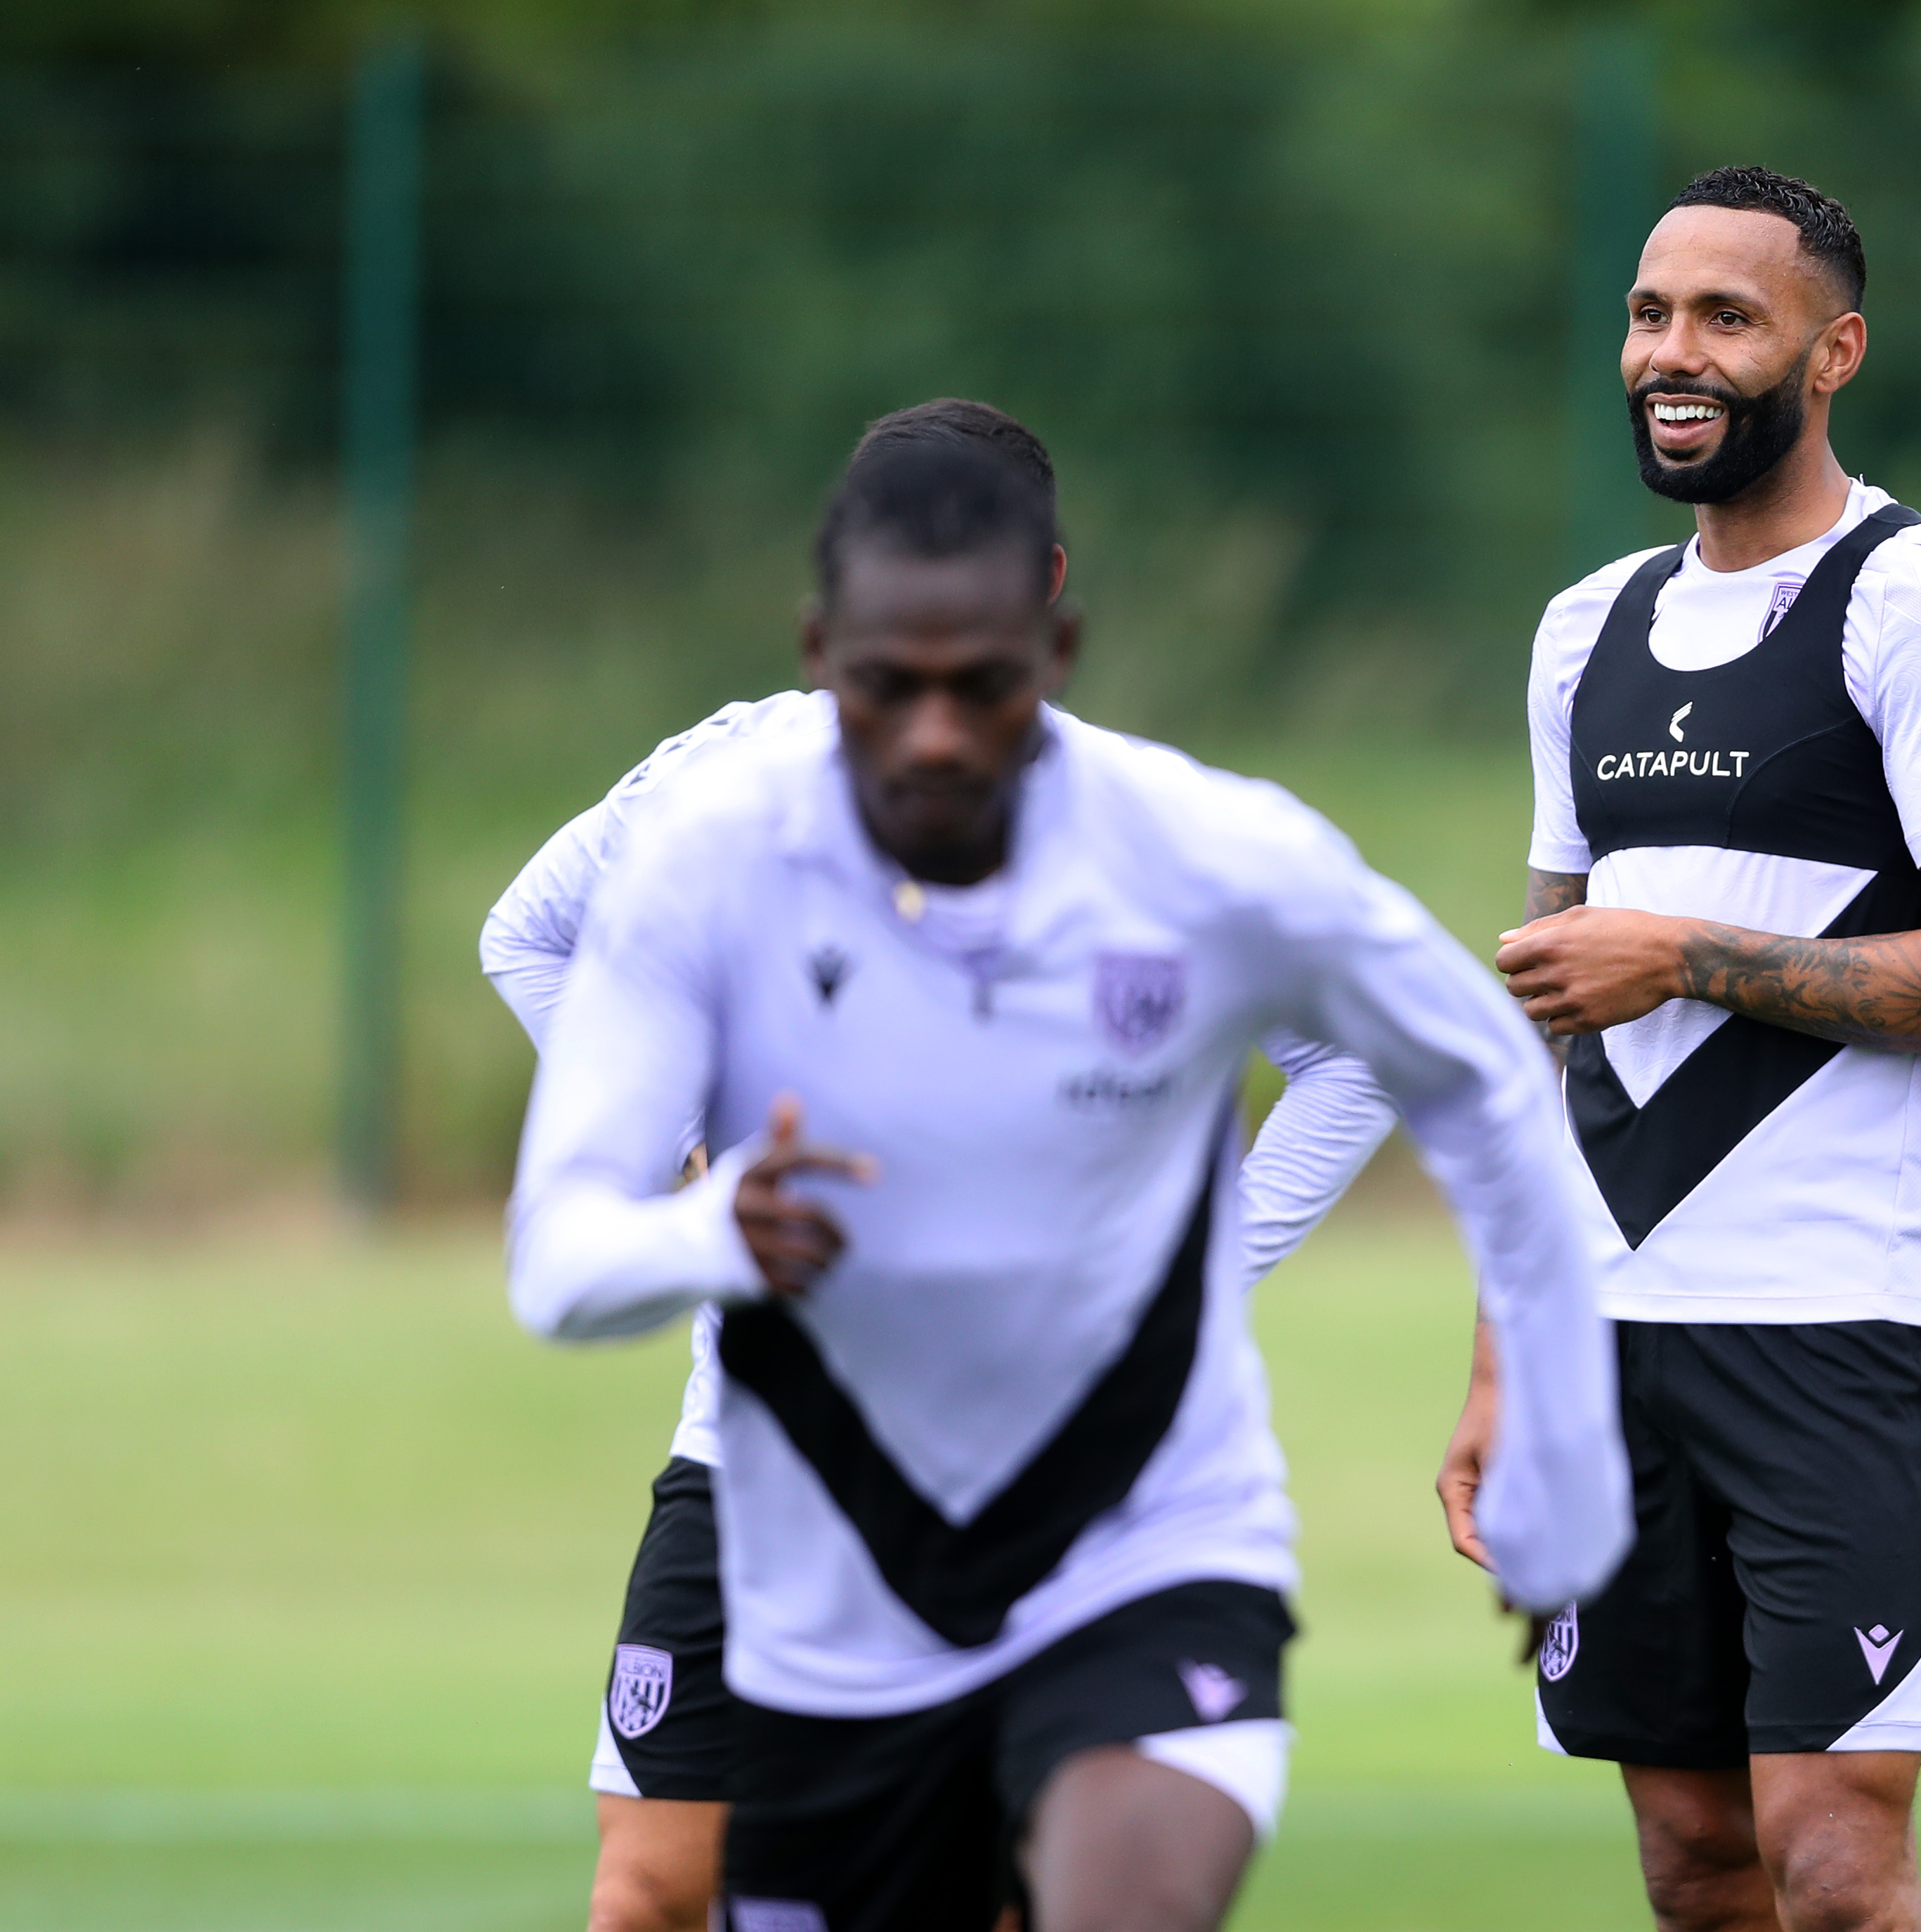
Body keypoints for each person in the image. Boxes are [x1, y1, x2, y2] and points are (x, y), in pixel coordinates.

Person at [505, 404, 1630, 1932]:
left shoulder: (1201, 856)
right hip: (824, 1575)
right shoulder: (709, 854)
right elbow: (562, 1264)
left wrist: (1562, 1442)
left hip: (1139, 1536)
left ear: (1061, 638)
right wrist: (709, 1232)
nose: (938, 737)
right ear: (817, 645)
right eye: (888, 688)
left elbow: (1481, 1077)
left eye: (985, 686)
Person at [1244, 165, 1921, 1931]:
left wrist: (1689, 953)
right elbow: (1544, 1027)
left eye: (1726, 317)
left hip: (1845, 1325)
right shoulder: (1584, 633)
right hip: (1608, 1340)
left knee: (1835, 1864)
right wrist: (1503, 1353)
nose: (1670, 354)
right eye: (1647, 314)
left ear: (1832, 351)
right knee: (1693, 1864)